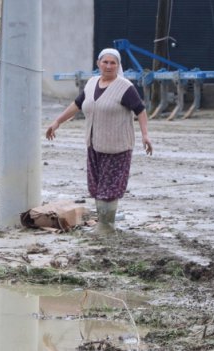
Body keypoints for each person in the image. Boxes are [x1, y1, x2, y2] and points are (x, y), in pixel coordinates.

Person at [45, 48, 153, 234]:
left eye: (113, 63)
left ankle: (106, 226)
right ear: (98, 64)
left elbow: (140, 110)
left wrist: (145, 135)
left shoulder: (125, 87)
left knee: (109, 186)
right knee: (96, 185)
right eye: (105, 62)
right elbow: (77, 105)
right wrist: (57, 122)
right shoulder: (91, 83)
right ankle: (103, 224)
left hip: (117, 146)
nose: (109, 66)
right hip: (94, 144)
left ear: (118, 66)